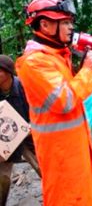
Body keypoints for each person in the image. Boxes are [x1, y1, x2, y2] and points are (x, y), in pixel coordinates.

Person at [16, 0, 92, 205]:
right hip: (61, 157)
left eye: (70, 21)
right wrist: (87, 72)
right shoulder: (35, 63)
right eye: (65, 22)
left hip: (72, 150)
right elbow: (65, 100)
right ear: (45, 25)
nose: (71, 27)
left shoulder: (56, 56)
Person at [0, 55, 39, 206]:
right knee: (2, 178)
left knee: (44, 169)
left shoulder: (24, 87)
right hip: (5, 140)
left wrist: (32, 127)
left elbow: (39, 110)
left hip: (30, 135)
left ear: (8, 72)